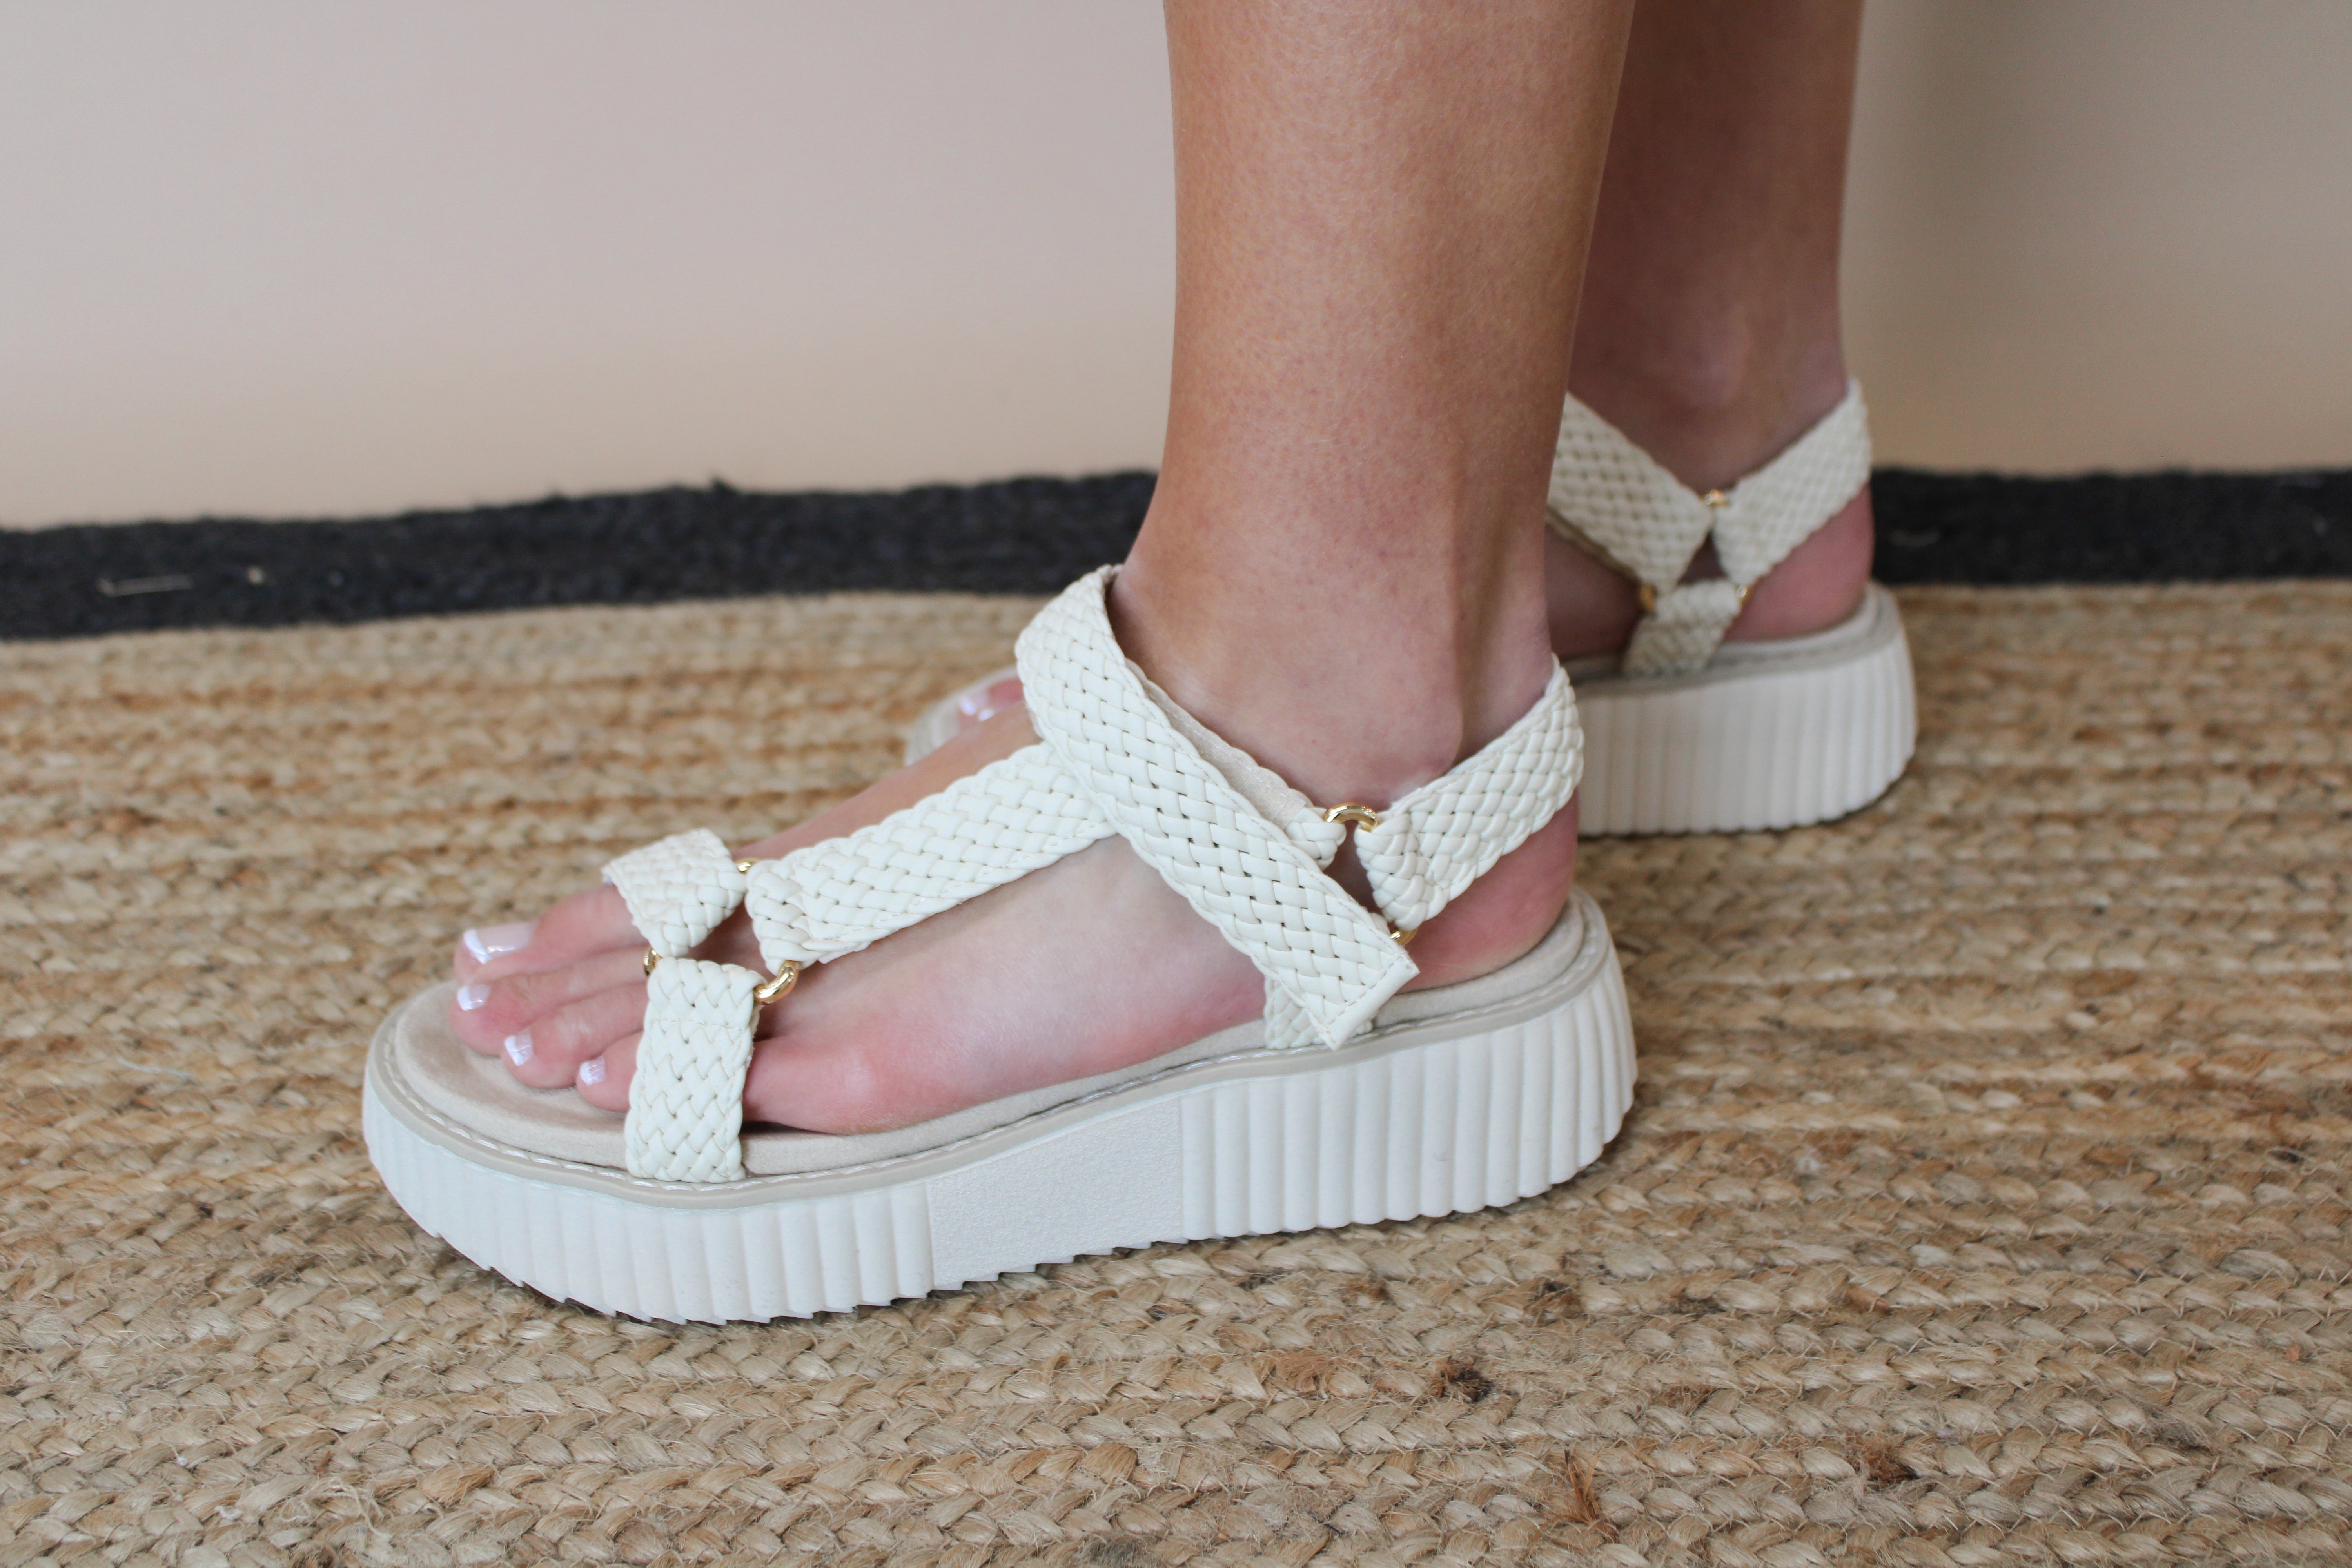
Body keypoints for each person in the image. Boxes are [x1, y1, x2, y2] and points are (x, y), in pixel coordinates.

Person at [370, 0, 1896, 1318]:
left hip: (1348, 819)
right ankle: (1698, 432)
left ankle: (1322, 701)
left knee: (1332, 654)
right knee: (1677, 379)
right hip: (1681, 508)